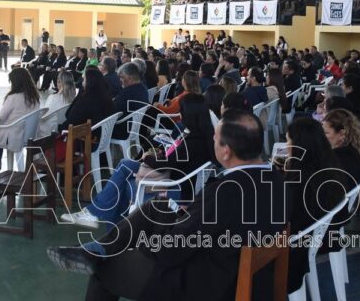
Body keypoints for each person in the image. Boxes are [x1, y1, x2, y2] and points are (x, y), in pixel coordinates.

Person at [47, 109, 287, 301]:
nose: (212, 141)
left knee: (106, 268)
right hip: (239, 268)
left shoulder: (226, 191)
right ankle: (96, 249)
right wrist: (182, 216)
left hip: (204, 282)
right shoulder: (276, 179)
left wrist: (142, 244)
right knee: (157, 208)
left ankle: (100, 254)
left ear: (226, 151)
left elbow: (172, 250)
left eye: (215, 139)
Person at [62, 93, 215, 227]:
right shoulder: (198, 135)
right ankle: (101, 217)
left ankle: (100, 217)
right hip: (169, 176)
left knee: (124, 183)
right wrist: (158, 154)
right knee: (124, 165)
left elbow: (167, 166)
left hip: (172, 184)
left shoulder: (194, 142)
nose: (180, 115)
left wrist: (147, 157)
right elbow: (175, 161)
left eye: (181, 111)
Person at [284, 118, 349, 293]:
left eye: (288, 140)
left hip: (291, 253)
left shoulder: (299, 183)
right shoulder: (330, 168)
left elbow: (284, 220)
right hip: (312, 240)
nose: (286, 145)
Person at [0, 68, 41, 172]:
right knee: (0, 128)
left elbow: (1, 118)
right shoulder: (35, 97)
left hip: (15, 135)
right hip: (30, 134)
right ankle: (0, 163)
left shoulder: (13, 97)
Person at [39, 71, 78, 137]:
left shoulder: (53, 98)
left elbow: (44, 116)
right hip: (61, 129)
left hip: (48, 130)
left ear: (59, 83)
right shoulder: (74, 100)